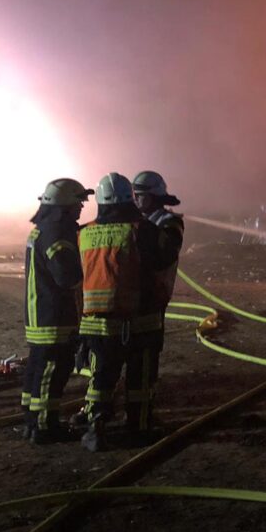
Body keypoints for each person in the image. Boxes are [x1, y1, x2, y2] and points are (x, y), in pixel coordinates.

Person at [77, 172, 172, 451]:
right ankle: (139, 428)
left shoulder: (83, 232)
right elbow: (162, 261)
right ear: (130, 199)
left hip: (96, 323)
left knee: (101, 378)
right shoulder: (143, 230)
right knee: (140, 379)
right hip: (139, 321)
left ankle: (95, 427)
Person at [21, 178, 92, 444]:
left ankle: (31, 420)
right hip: (54, 316)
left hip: (40, 313)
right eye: (78, 204)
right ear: (64, 207)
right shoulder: (57, 234)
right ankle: (44, 427)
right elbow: (67, 276)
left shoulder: (42, 229)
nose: (80, 209)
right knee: (53, 371)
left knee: (37, 369)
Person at [129, 170, 185, 434]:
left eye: (140, 196)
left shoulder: (169, 222)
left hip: (154, 297)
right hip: (130, 299)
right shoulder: (137, 221)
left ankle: (143, 415)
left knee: (146, 359)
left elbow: (162, 255)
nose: (136, 201)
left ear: (153, 197)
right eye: (134, 196)